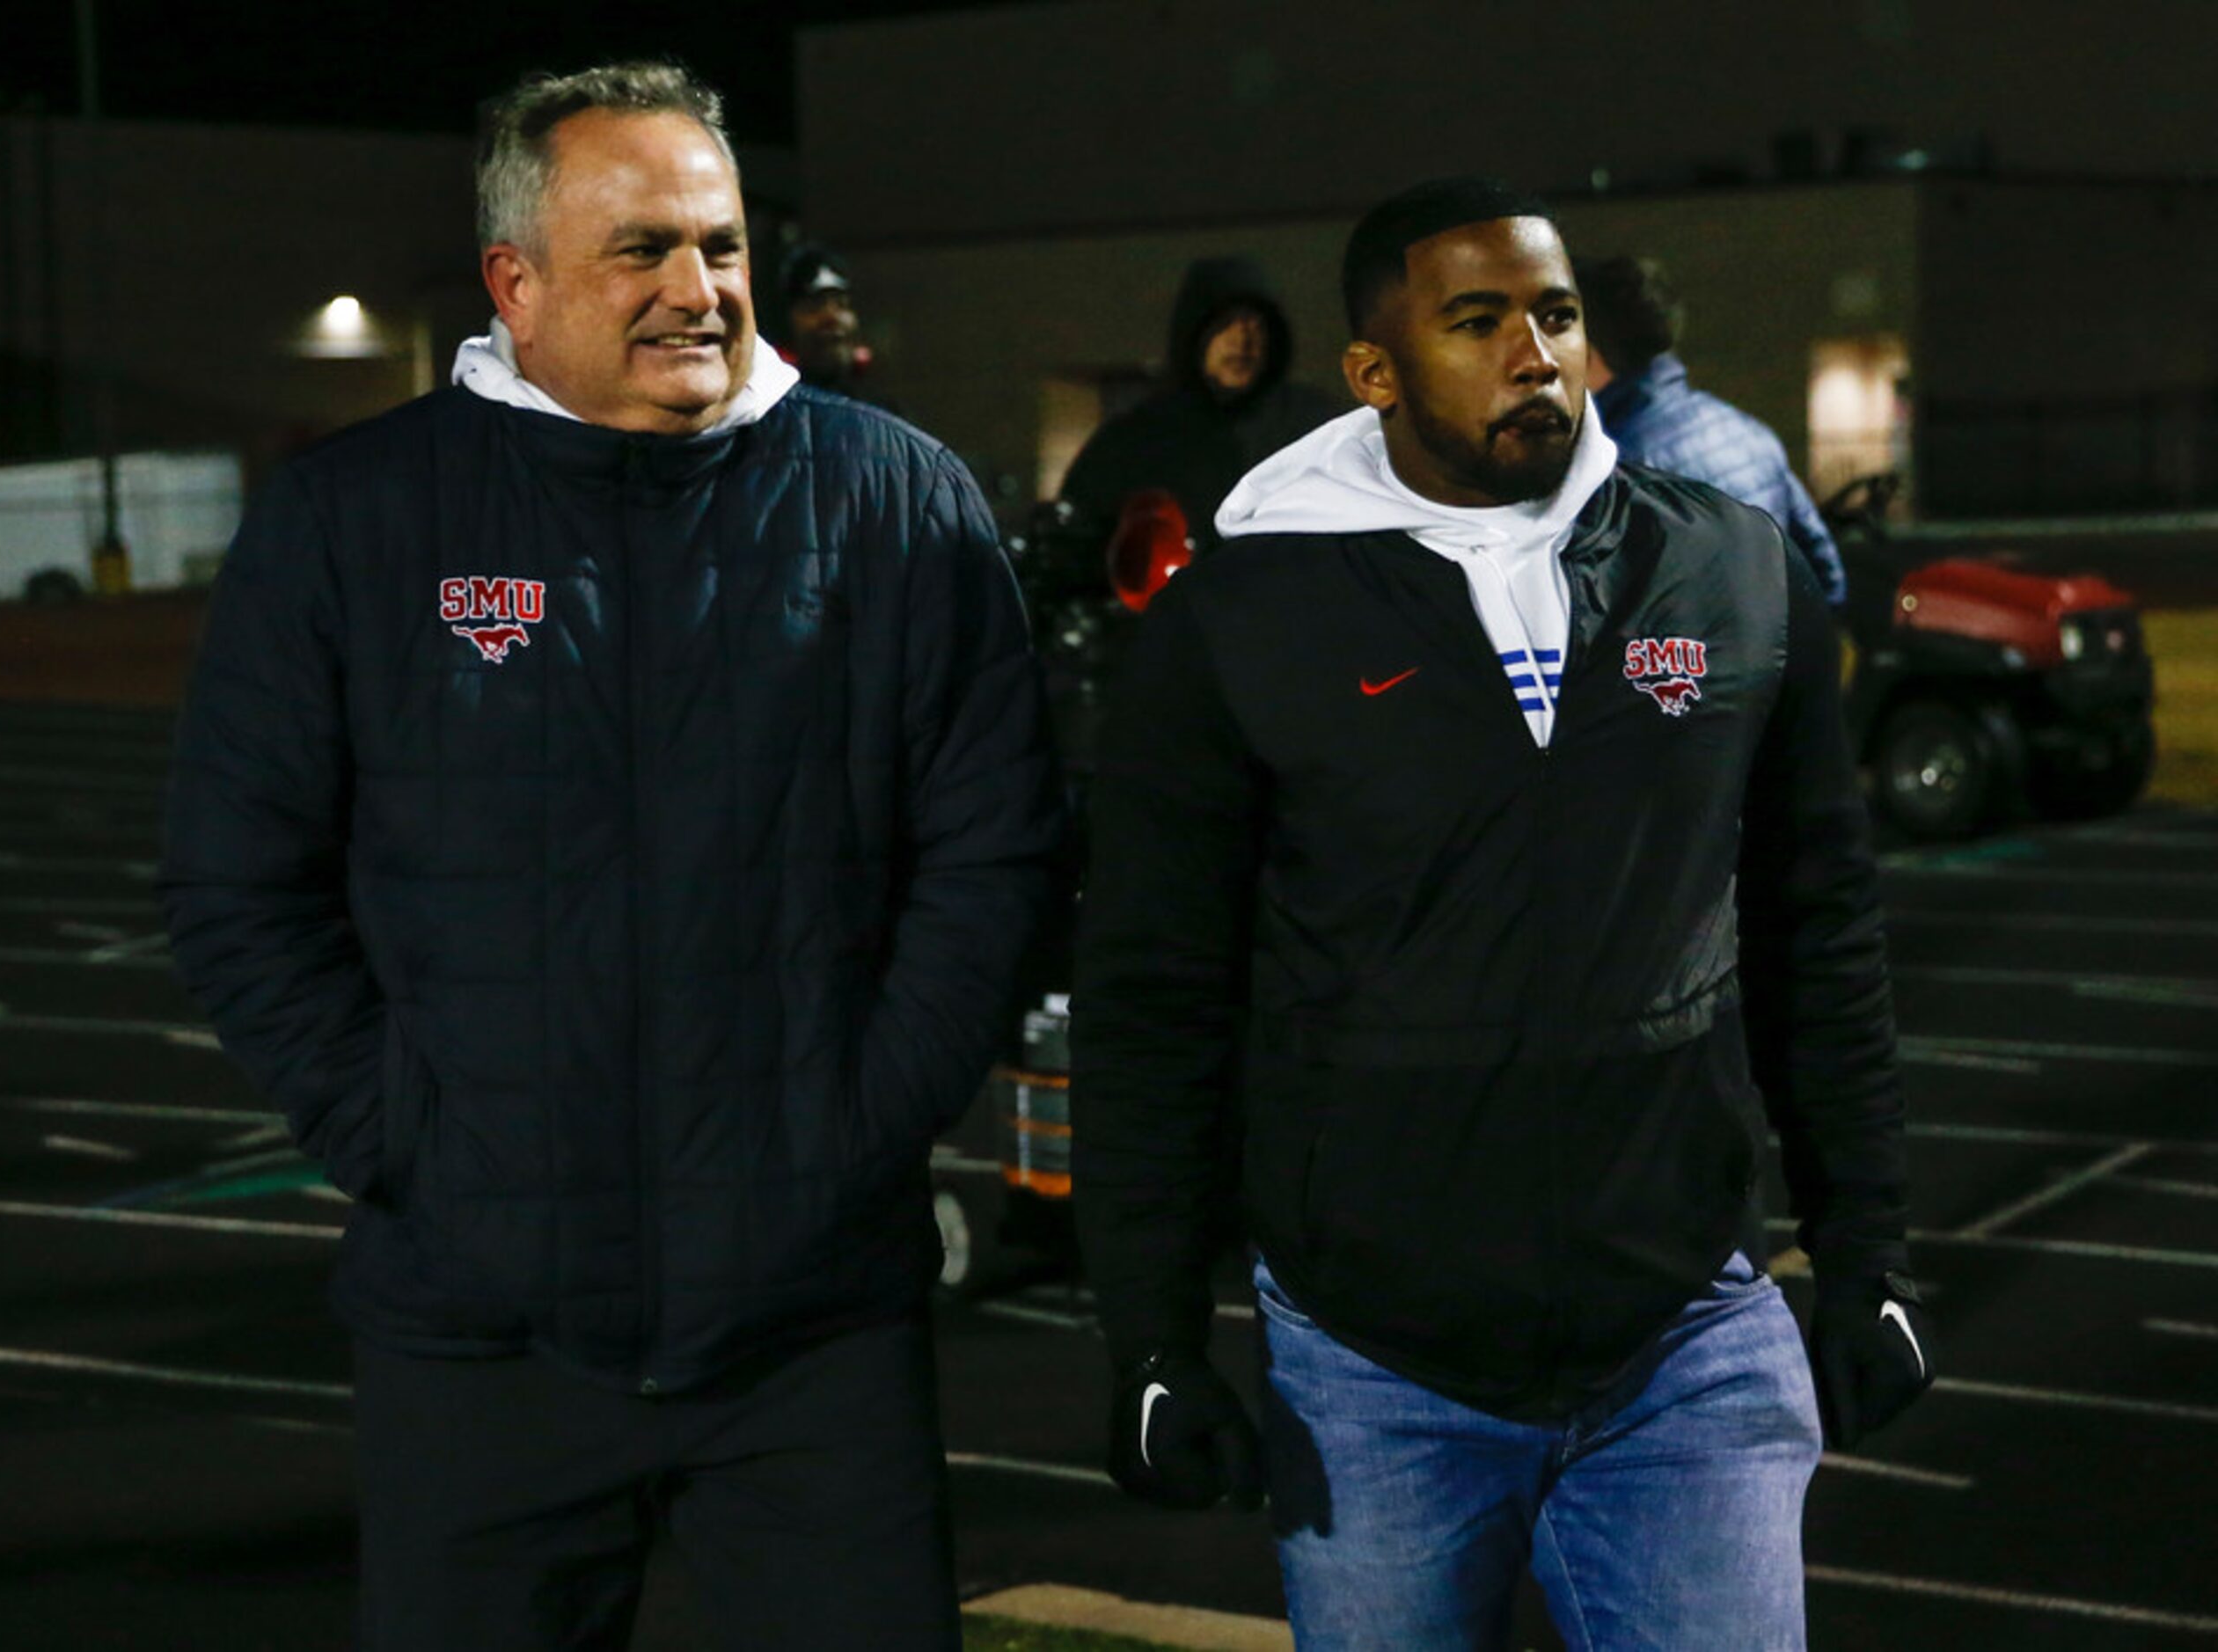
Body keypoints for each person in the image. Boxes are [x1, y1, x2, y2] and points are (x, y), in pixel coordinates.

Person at [157, 61, 1061, 1652]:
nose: (697, 291)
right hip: (476, 1327)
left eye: (717, 246)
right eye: (639, 250)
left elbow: (994, 857)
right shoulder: (353, 518)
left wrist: (854, 1122)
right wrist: (414, 1140)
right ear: (515, 282)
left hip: (812, 1331)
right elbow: (242, 882)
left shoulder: (898, 500)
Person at [1072, 177, 1930, 1651]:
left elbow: (1817, 931)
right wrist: (1150, 1331)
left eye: (1556, 314)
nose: (1535, 352)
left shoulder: (1730, 567)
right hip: (1375, 1368)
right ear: (1374, 369)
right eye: (1478, 322)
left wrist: (1867, 1252)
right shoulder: (1242, 617)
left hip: (1685, 1337)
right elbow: (1156, 990)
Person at [1577, 252, 1850, 606]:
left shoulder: (1609, 466)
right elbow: (1824, 575)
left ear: (1587, 352)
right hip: (1770, 651)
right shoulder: (1753, 436)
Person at [1058, 255, 1338, 551]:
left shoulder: (1316, 429)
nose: (1242, 341)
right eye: (1225, 324)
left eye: (1256, 326)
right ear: (1195, 334)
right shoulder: (1133, 442)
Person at [776, 239, 875, 396]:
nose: (832, 318)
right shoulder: (771, 408)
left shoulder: (880, 411)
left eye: (842, 304)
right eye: (814, 306)